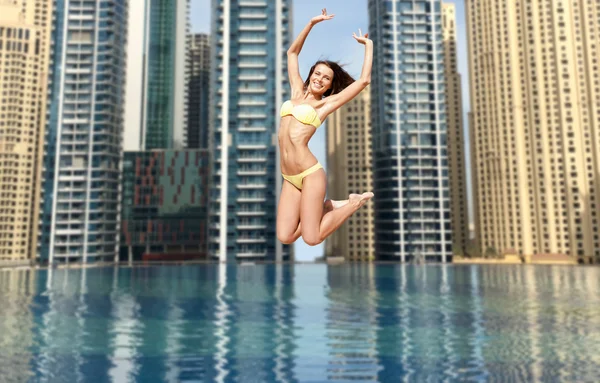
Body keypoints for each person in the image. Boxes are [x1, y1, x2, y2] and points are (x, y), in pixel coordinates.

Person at [276, 8, 373, 246]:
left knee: (312, 237)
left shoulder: (325, 104)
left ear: (330, 86)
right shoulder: (296, 91)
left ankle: (353, 203)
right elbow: (292, 52)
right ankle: (325, 206)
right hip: (289, 176)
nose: (320, 78)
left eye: (326, 78)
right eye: (317, 73)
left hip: (310, 174)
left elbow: (363, 81)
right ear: (312, 74)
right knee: (285, 236)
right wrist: (311, 23)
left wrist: (367, 45)